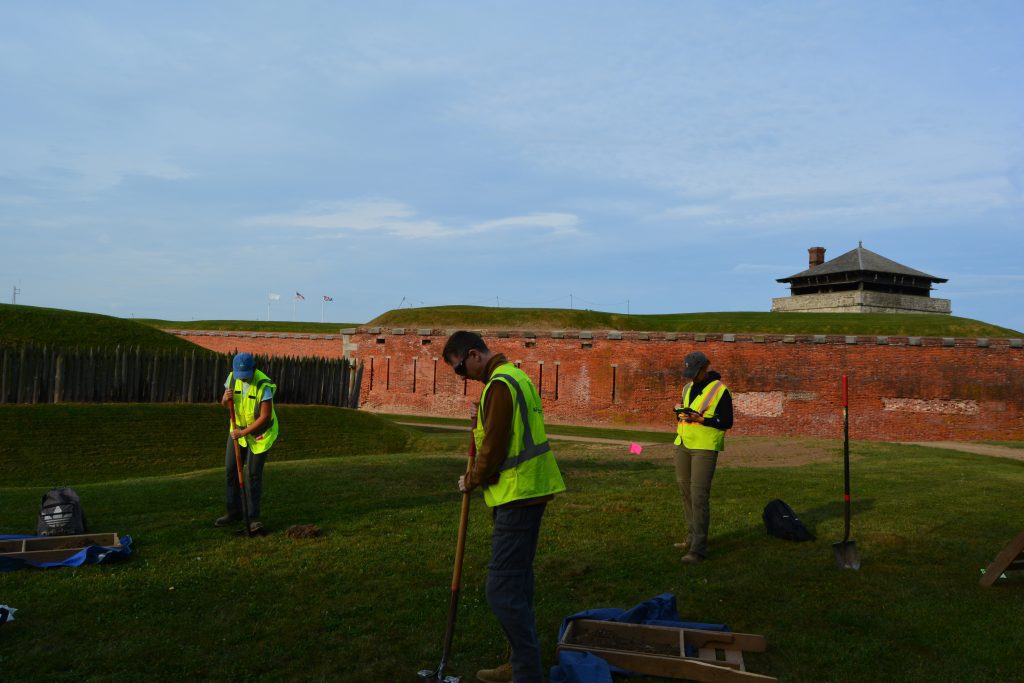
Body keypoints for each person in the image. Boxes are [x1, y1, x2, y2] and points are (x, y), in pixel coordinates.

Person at [442, 331, 566, 683]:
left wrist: (472, 478)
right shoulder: (513, 377)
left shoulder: (499, 384)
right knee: (519, 583)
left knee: (501, 589)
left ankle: (527, 673)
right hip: (527, 491)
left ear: (473, 354)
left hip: (519, 493)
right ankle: (520, 663)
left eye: (459, 370)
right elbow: (503, 428)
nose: (462, 376)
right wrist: (481, 413)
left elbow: (495, 446)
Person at [672, 351, 733, 564]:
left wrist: (702, 419)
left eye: (694, 372)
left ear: (704, 368)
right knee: (685, 491)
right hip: (683, 443)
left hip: (705, 447)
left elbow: (726, 422)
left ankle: (698, 548)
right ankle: (691, 537)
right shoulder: (687, 387)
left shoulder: (720, 390)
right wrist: (680, 411)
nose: (691, 377)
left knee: (699, 496)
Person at [215, 352, 279, 534]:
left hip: (260, 433)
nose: (242, 379)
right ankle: (233, 512)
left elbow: (265, 417)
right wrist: (225, 400)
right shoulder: (232, 378)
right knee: (231, 470)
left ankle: (253, 518)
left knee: (252, 474)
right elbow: (226, 405)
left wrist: (242, 432)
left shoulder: (263, 385)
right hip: (237, 431)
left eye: (246, 376)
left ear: (254, 369)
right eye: (239, 376)